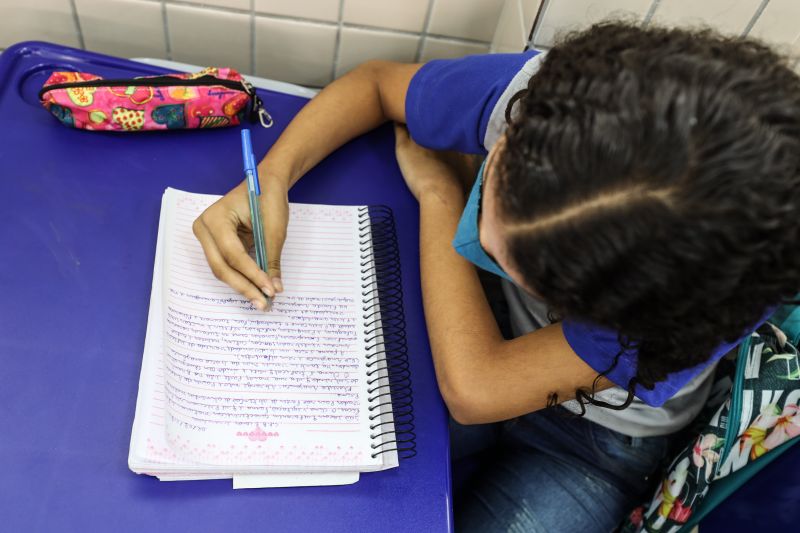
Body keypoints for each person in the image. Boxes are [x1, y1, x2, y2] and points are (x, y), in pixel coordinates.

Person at [192, 23, 800, 531]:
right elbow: (377, 85)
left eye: (531, 272)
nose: (478, 234)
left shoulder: (695, 294)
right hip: (478, 334)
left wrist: (440, 191)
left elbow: (477, 388)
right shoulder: (544, 101)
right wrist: (271, 178)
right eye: (494, 186)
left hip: (596, 444)